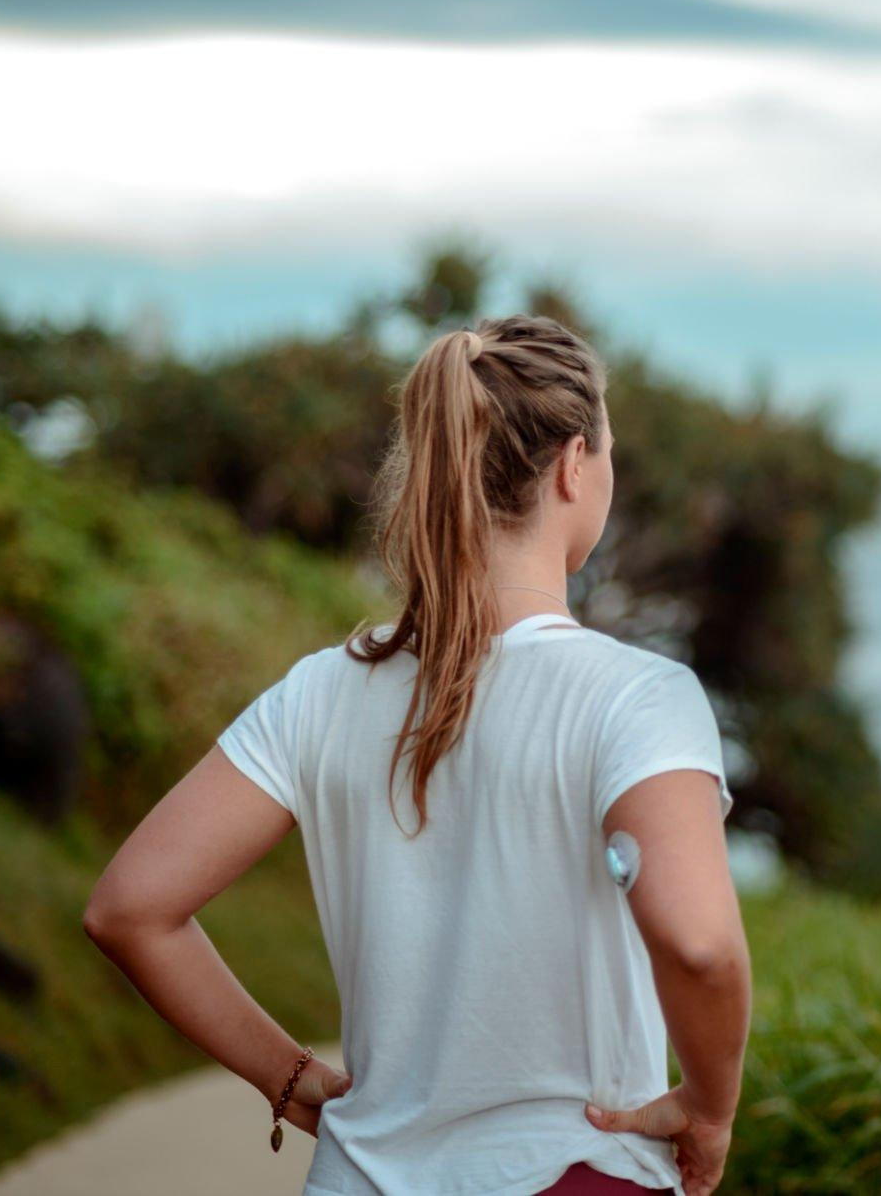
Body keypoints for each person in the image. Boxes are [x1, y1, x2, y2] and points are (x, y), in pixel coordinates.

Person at [83, 315, 752, 1196]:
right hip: (575, 1174)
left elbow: (132, 909)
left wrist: (289, 1079)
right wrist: (710, 1106)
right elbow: (700, 944)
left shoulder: (320, 692)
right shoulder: (637, 696)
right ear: (573, 464)